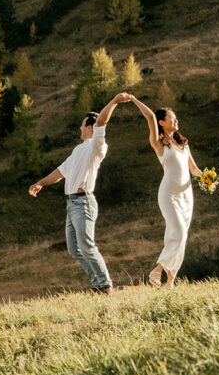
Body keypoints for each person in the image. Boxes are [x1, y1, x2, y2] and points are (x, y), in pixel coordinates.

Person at [28, 92, 132, 293]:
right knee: (74, 249)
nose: (79, 128)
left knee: (87, 246)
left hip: (83, 202)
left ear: (90, 128)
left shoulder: (96, 146)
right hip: (71, 204)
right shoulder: (78, 150)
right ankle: (98, 284)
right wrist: (40, 183)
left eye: (82, 125)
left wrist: (115, 101)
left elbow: (101, 120)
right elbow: (60, 172)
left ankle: (105, 285)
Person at [128, 94, 202, 288]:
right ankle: (158, 270)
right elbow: (150, 117)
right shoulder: (160, 144)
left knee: (182, 237)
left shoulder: (183, 144)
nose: (176, 120)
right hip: (168, 195)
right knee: (177, 232)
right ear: (162, 122)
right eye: (172, 118)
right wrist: (134, 99)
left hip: (187, 196)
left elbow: (193, 169)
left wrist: (207, 178)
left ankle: (170, 281)